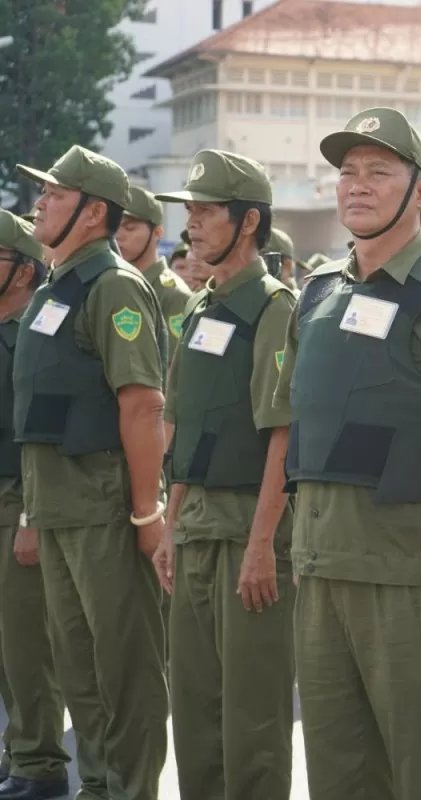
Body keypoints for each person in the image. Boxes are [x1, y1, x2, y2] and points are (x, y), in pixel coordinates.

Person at [276, 108, 421, 800]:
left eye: (380, 172)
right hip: (322, 571)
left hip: (408, 571)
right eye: (348, 172)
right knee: (337, 769)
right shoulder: (318, 291)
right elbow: (296, 427)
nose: (358, 185)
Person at [14, 145, 169, 800]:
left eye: (53, 193)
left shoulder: (114, 287)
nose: (39, 203)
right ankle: (99, 787)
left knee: (125, 673)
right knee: (79, 670)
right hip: (56, 507)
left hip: (103, 504)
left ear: (93, 211)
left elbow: (141, 405)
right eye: (42, 193)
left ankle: (130, 791)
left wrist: (146, 516)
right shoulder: (55, 289)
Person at [150, 150, 296, 800]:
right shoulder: (202, 306)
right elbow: (180, 426)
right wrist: (170, 524)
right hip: (197, 531)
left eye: (206, 213)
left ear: (248, 222)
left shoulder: (272, 309)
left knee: (253, 709)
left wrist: (263, 545)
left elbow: (282, 434)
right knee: (197, 703)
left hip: (246, 533)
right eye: (191, 213)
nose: (193, 226)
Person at [0, 212, 70, 800]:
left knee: (27, 641)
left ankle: (40, 764)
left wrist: (28, 516)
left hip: (18, 497)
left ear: (24, 270)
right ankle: (16, 750)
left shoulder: (33, 334)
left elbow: (36, 435)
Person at [116, 186, 193, 360]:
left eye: (129, 228)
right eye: (115, 227)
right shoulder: (115, 283)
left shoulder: (173, 294)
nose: (118, 236)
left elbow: (173, 364)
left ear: (157, 232)